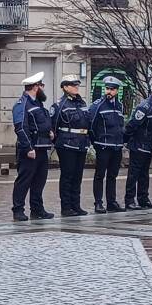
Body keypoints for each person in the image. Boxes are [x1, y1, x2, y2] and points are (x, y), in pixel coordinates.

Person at [11, 72, 54, 221]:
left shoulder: (38, 104)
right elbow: (21, 127)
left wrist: (50, 132)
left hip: (42, 147)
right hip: (30, 149)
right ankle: (18, 210)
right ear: (36, 87)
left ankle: (37, 209)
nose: (43, 88)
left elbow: (42, 122)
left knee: (39, 181)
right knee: (24, 181)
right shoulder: (22, 104)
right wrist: (29, 148)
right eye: (41, 85)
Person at [51, 76, 91, 217]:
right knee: (67, 176)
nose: (76, 87)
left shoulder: (82, 103)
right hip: (66, 144)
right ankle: (66, 207)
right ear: (65, 87)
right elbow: (53, 126)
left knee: (77, 177)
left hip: (81, 143)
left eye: (77, 85)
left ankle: (76, 205)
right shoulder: (59, 105)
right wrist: (57, 143)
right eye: (73, 85)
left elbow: (87, 122)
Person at [87, 76, 125, 214]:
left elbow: (120, 125)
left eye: (112, 89)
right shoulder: (98, 105)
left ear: (117, 91)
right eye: (107, 88)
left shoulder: (120, 105)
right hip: (103, 145)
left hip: (116, 146)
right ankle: (98, 202)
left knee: (112, 175)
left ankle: (111, 202)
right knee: (99, 175)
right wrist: (95, 143)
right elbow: (91, 125)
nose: (109, 91)